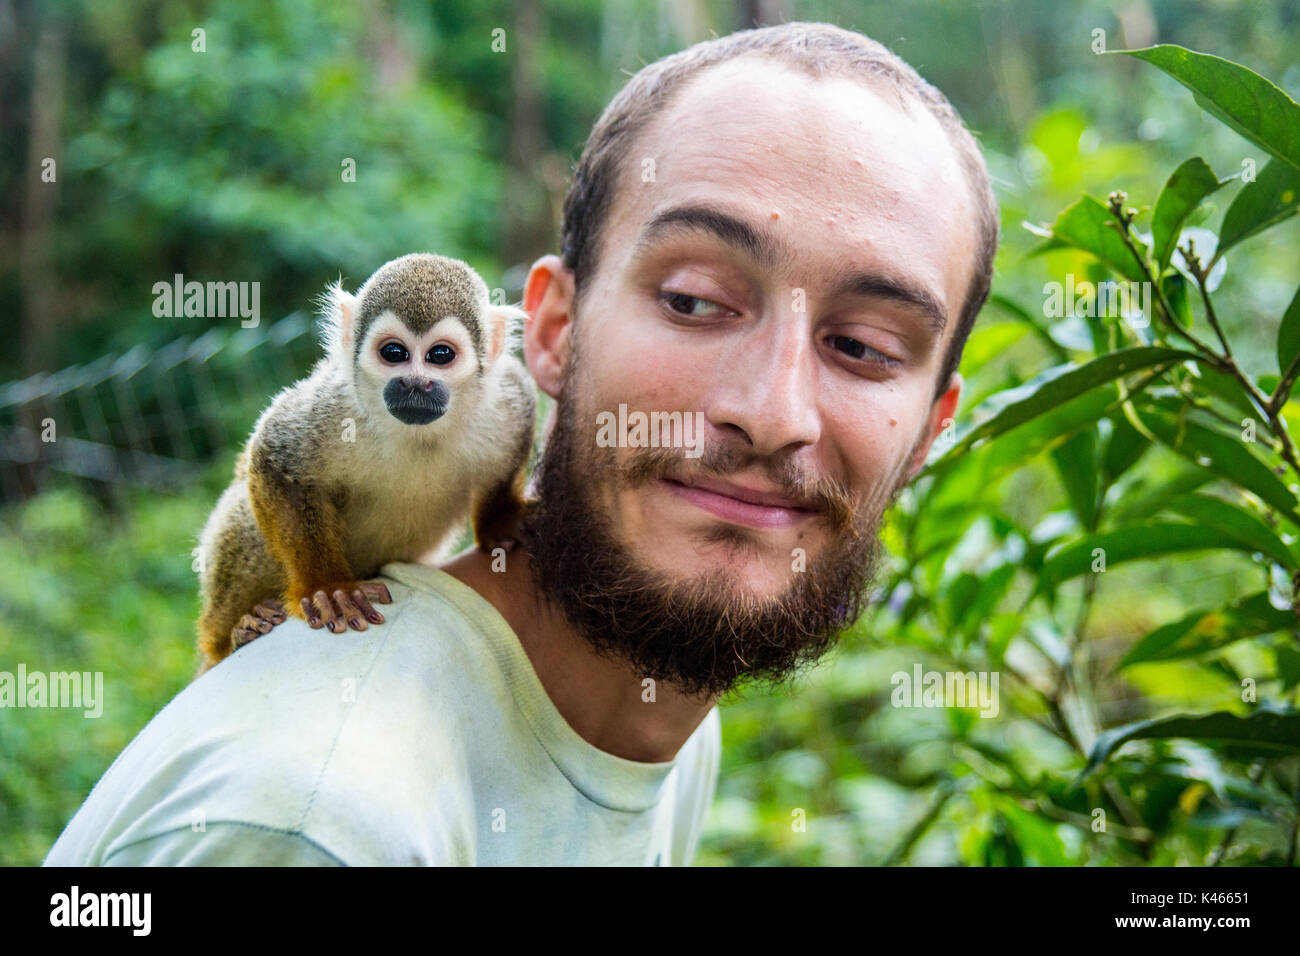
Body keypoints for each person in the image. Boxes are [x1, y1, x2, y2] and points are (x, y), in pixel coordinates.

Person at [45, 20, 996, 866]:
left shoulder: (666, 716)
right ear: (550, 334)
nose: (774, 412)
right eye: (693, 301)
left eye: (864, 347)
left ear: (930, 432)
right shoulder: (312, 820)